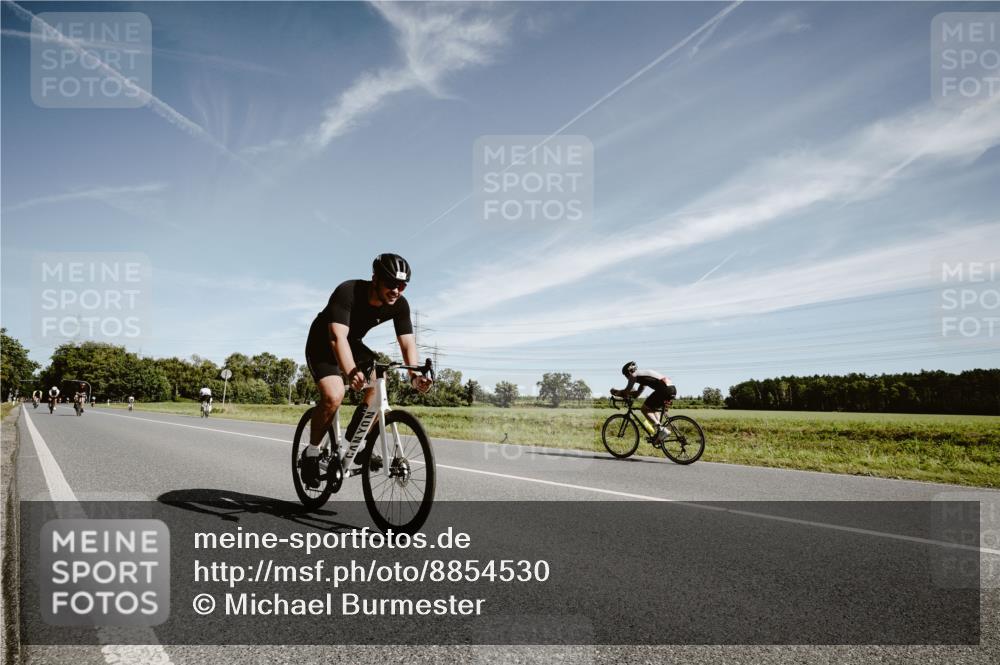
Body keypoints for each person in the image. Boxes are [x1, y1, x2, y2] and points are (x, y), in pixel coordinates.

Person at [301, 253, 433, 488]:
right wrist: (350, 371)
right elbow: (336, 337)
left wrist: (414, 375)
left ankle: (355, 444)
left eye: (402, 285)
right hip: (323, 343)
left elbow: (407, 343)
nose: (396, 290)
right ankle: (311, 453)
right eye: (391, 283)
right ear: (375, 279)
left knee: (378, 379)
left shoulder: (399, 304)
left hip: (352, 343)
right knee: (333, 396)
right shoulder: (348, 291)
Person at [611, 361, 677, 439]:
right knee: (653, 409)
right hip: (672, 389)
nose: (626, 378)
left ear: (629, 372)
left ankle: (662, 430)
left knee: (644, 409)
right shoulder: (643, 377)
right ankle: (660, 433)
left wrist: (616, 392)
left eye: (625, 375)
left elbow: (627, 391)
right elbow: (637, 394)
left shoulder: (633, 375)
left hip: (664, 390)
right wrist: (625, 394)